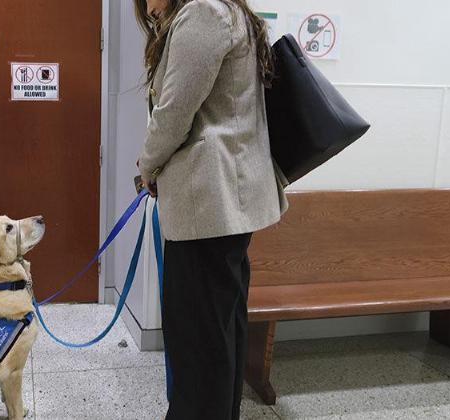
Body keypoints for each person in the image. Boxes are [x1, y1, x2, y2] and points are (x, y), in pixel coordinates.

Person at [133, 0, 289, 418]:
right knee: (219, 334)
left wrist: (146, 165)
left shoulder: (204, 12)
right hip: (222, 206)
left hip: (210, 206)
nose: (147, 8)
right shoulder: (226, 10)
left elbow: (173, 113)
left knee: (199, 340)